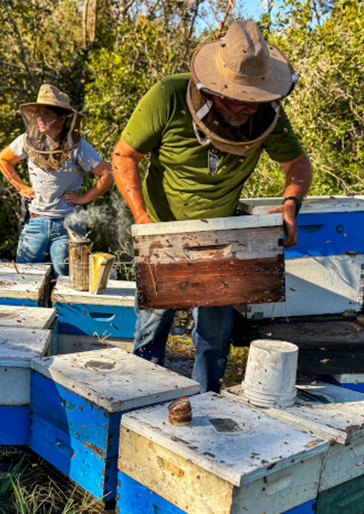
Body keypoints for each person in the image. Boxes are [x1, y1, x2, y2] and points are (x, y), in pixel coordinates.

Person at [110, 20, 312, 392]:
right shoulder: (168, 96)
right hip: (162, 233)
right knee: (153, 326)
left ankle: (207, 402)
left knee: (215, 335)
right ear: (209, 86)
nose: (244, 107)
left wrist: (290, 204)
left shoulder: (268, 117)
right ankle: (139, 400)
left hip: (222, 237)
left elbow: (298, 165)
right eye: (234, 97)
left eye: (253, 99)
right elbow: (124, 156)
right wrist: (142, 218)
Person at [0, 84, 114, 278]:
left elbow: (108, 174)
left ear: (62, 118)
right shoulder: (28, 140)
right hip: (36, 221)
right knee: (25, 279)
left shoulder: (78, 146)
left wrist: (84, 198)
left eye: (47, 114)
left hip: (68, 224)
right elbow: (3, 159)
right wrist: (21, 187)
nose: (40, 119)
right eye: (38, 114)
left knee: (67, 281)